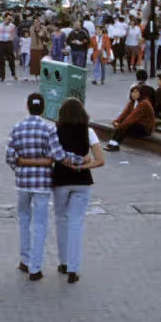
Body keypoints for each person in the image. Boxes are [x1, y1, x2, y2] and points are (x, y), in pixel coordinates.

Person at [5, 92, 89, 279]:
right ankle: (35, 268)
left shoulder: (17, 128)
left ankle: (24, 260)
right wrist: (80, 160)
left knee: (24, 221)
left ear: (27, 107)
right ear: (43, 108)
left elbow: (10, 157)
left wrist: (21, 166)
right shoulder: (48, 129)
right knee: (40, 224)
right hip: (42, 184)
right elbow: (59, 155)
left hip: (23, 183)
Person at [50, 98, 105, 282]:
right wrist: (84, 165)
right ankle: (73, 269)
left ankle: (63, 261)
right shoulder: (88, 131)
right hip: (82, 181)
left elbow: (51, 156)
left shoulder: (55, 132)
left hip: (61, 180)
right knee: (76, 224)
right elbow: (100, 159)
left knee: (61, 220)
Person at [107, 84, 155, 152]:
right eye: (132, 92)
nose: (133, 94)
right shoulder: (132, 102)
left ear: (140, 93)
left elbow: (131, 117)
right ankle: (111, 144)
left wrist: (120, 126)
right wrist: (116, 121)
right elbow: (124, 114)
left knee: (124, 127)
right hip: (135, 124)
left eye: (136, 92)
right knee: (122, 126)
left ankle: (114, 145)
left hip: (145, 128)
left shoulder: (144, 103)